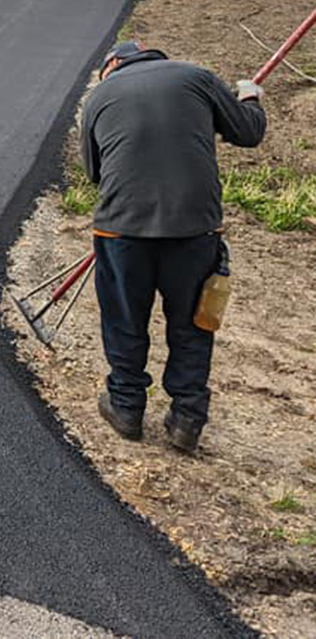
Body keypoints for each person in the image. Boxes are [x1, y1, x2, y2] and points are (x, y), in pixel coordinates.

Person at [81, 40, 266, 453]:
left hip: (122, 229)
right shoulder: (197, 77)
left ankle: (126, 407)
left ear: (112, 64)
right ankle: (187, 418)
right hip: (194, 230)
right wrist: (250, 94)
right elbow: (249, 132)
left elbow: (94, 172)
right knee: (192, 324)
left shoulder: (100, 96)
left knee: (124, 319)